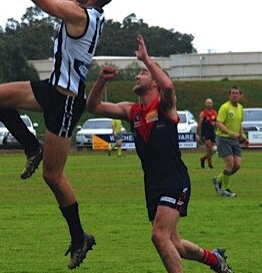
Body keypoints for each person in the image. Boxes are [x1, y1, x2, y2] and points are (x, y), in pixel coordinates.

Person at [0, 0, 114, 269]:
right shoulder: (87, 10)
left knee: (53, 176)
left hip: (66, 102)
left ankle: (79, 237)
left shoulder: (79, 15)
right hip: (50, 87)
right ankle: (31, 147)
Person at [86, 35, 233, 273]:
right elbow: (93, 107)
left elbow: (167, 86)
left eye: (143, 73)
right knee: (174, 243)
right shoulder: (131, 111)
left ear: (154, 81)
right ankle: (215, 260)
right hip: (153, 184)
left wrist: (146, 58)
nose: (137, 75)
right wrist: (101, 81)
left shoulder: (165, 105)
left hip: (174, 181)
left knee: (158, 236)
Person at [212, 87, 246, 197]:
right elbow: (219, 123)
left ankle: (218, 179)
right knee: (230, 164)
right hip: (224, 138)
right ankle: (225, 189)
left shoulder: (240, 108)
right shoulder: (225, 107)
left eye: (237, 93)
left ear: (240, 95)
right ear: (229, 95)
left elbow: (239, 123)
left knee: (237, 165)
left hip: (234, 140)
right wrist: (231, 133)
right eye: (233, 93)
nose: (235, 95)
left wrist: (243, 135)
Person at [196, 98, 218, 169]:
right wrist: (197, 134)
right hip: (205, 133)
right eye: (207, 103)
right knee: (210, 148)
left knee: (213, 150)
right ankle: (210, 165)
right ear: (205, 104)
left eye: (210, 103)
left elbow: (218, 123)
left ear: (212, 104)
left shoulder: (215, 112)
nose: (209, 104)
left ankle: (203, 159)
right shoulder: (203, 113)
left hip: (212, 133)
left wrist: (215, 124)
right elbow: (199, 124)